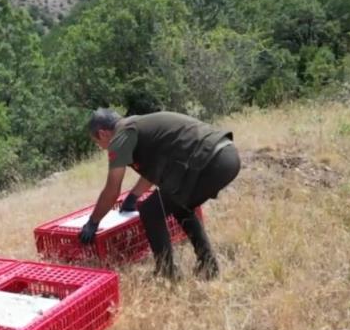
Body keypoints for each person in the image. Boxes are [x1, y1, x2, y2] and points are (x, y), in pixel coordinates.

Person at [79, 109, 240, 279]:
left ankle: (167, 273)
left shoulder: (120, 138)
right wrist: (133, 196)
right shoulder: (137, 125)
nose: (101, 147)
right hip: (226, 155)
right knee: (178, 205)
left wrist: (93, 222)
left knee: (151, 211)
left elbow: (112, 190)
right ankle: (208, 264)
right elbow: (154, 173)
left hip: (211, 161)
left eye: (97, 143)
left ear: (103, 133)